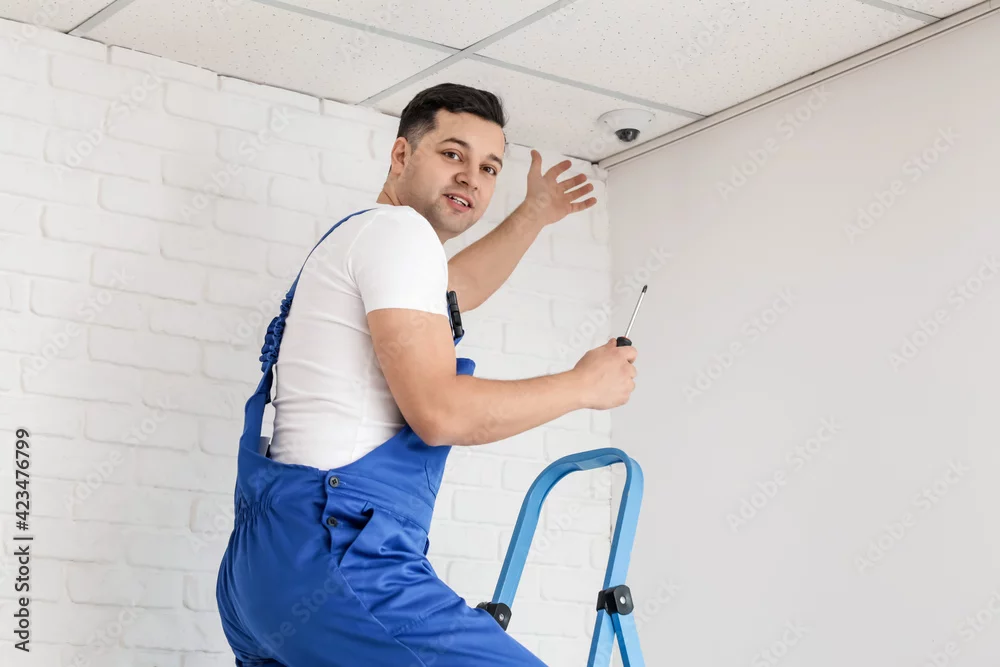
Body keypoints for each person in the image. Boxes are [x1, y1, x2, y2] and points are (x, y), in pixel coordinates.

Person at [215, 82, 639, 666]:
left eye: (489, 168)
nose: (472, 177)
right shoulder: (400, 234)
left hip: (260, 576)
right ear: (401, 155)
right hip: (340, 557)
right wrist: (583, 386)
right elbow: (440, 414)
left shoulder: (361, 241)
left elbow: (454, 290)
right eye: (452, 154)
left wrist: (535, 212)